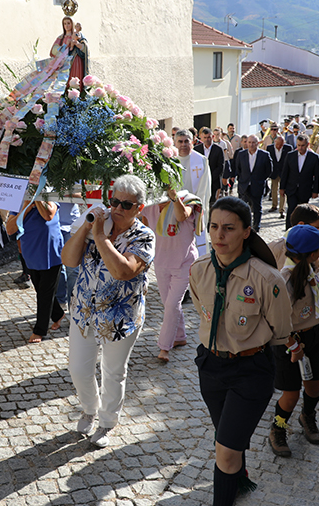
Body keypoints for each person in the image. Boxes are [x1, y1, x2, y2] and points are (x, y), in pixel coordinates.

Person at [189, 197, 292, 506]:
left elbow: (280, 329)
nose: (220, 235)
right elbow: (202, 311)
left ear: (246, 232)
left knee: (226, 449)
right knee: (226, 435)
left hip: (250, 371)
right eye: (214, 227)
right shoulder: (199, 270)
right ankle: (240, 476)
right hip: (211, 367)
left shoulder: (267, 279)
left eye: (230, 228)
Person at [62, 175, 155, 448]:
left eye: (126, 204)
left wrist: (100, 235)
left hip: (120, 316)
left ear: (139, 207)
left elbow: (123, 270)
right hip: (84, 310)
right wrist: (87, 226)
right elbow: (68, 259)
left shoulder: (143, 236)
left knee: (113, 372)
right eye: (114, 201)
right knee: (78, 369)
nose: (117, 208)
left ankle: (106, 423)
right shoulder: (98, 225)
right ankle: (89, 408)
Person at [269, 224, 319, 457]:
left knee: (314, 388)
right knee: (290, 394)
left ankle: (307, 415)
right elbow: (276, 321)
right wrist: (294, 346)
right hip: (290, 343)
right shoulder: (284, 280)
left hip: (312, 335)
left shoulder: (308, 269)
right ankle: (278, 428)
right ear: (312, 253)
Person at [141, 186, 201, 362]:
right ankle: (180, 336)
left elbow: (182, 216)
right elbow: (145, 230)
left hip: (184, 262)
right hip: (161, 262)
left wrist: (174, 198)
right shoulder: (150, 205)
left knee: (172, 304)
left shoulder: (188, 200)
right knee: (169, 303)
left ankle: (164, 347)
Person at [6, 200, 65, 344]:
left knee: (45, 291)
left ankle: (40, 330)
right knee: (40, 287)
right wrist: (28, 205)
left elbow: (48, 215)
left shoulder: (49, 194)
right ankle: (57, 314)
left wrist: (37, 197)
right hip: (31, 250)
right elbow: (10, 228)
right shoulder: (22, 200)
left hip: (51, 250)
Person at [175, 129, 212, 254]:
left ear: (193, 142)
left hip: (195, 211)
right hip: (175, 211)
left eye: (186, 141)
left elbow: (204, 189)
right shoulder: (169, 160)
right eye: (180, 141)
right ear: (175, 143)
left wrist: (195, 208)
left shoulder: (201, 161)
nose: (183, 145)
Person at [279, 135, 319, 230]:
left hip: (305, 189)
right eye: (298, 145)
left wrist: (315, 191)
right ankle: (289, 231)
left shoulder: (314, 157)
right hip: (291, 188)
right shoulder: (290, 155)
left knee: (303, 212)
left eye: (303, 145)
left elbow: (317, 176)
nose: (300, 148)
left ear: (307, 145)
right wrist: (282, 188)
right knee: (291, 210)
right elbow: (285, 172)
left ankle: (301, 230)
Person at [267, 204, 319, 269]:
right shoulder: (276, 248)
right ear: (301, 224)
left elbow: (316, 270)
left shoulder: (312, 246)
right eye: (315, 228)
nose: (318, 233)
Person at [234, 135, 272, 232]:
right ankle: (243, 226)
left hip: (257, 185)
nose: (251, 144)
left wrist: (260, 179)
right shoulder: (241, 154)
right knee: (242, 208)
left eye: (253, 142)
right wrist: (242, 179)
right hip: (244, 185)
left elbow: (269, 170)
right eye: (249, 142)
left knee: (257, 208)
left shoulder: (264, 155)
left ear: (258, 143)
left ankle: (256, 227)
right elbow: (238, 169)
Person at [50, 16, 88, 83]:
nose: (66, 26)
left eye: (68, 23)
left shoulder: (77, 35)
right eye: (65, 24)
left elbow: (85, 47)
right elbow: (53, 51)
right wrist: (64, 47)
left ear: (72, 24)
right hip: (63, 62)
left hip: (75, 61)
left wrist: (77, 44)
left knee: (75, 79)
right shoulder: (61, 37)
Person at [194, 126, 225, 205]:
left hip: (213, 182)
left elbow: (220, 166)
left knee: (211, 204)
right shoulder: (196, 150)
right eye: (205, 137)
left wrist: (209, 177)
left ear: (213, 137)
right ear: (201, 137)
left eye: (209, 137)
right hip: (199, 182)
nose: (207, 139)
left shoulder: (218, 149)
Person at [267, 135, 292, 219]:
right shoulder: (269, 148)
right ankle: (274, 205)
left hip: (284, 172)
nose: (279, 147)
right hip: (274, 172)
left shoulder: (288, 148)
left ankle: (282, 210)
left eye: (281, 145)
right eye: (277, 145)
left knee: (282, 190)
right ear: (275, 142)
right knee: (274, 189)